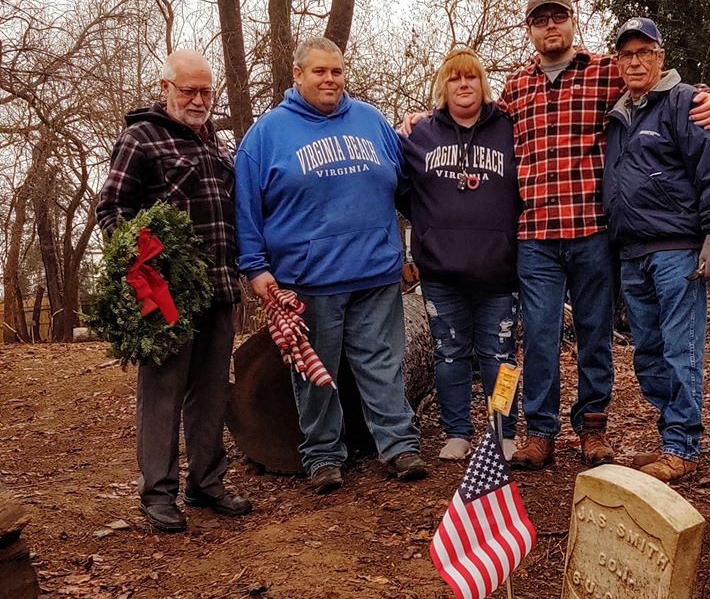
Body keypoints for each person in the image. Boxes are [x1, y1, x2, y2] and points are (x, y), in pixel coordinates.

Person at [500, 0, 710, 472]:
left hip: (592, 230)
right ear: (530, 30)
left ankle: (593, 428)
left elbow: (662, 88)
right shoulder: (515, 88)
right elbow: (474, 123)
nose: (550, 26)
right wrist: (423, 121)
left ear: (572, 22)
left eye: (558, 17)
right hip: (535, 234)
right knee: (538, 335)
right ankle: (540, 432)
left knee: (594, 333)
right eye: (540, 21)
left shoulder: (606, 71)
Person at [234, 36, 426, 493]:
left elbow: (407, 188)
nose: (330, 80)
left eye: (337, 71)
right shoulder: (267, 134)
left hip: (375, 273)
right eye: (320, 71)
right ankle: (322, 455)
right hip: (308, 281)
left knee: (382, 362)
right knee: (315, 371)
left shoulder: (371, 121)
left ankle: (398, 446)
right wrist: (255, 267)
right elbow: (245, 206)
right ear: (297, 75)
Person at [97, 49, 252, 533]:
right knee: (162, 394)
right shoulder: (140, 137)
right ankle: (157, 492)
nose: (198, 99)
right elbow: (111, 211)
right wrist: (150, 264)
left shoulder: (216, 145)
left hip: (220, 289)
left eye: (206, 90)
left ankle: (206, 482)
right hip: (166, 295)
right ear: (166, 88)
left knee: (210, 391)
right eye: (189, 90)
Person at [603, 17, 710, 482]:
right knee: (648, 353)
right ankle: (670, 437)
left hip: (677, 250)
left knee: (681, 349)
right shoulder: (618, 116)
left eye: (645, 52)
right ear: (617, 62)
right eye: (627, 54)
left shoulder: (683, 103)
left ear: (661, 57)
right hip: (632, 253)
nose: (635, 61)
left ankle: (682, 445)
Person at [400, 47, 521, 462]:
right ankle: (457, 432)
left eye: (471, 77)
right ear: (443, 86)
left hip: (499, 272)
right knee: (448, 353)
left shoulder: (509, 128)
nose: (464, 85)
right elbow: (401, 190)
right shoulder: (420, 135)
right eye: (455, 78)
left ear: (482, 83)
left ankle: (504, 431)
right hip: (441, 272)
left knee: (500, 356)